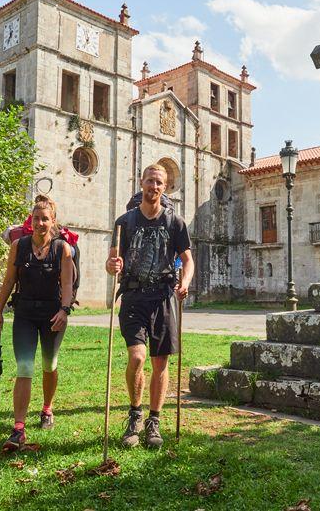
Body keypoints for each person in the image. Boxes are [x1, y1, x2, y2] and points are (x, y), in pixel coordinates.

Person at [105, 164, 194, 449]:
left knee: (160, 362)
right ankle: (135, 414)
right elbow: (112, 261)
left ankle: (154, 421)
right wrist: (112, 265)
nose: (153, 187)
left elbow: (188, 260)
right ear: (141, 183)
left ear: (164, 188)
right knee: (138, 358)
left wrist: (186, 281)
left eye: (159, 183)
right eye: (149, 181)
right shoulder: (124, 222)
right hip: (133, 296)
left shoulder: (175, 223)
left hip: (163, 298)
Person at [0, 195, 75, 451]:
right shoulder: (19, 246)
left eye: (45, 219)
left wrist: (64, 310)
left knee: (50, 364)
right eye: (36, 219)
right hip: (25, 314)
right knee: (25, 367)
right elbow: (8, 281)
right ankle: (18, 428)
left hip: (52, 315)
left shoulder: (62, 248)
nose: (40, 223)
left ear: (52, 222)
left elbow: (68, 284)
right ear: (31, 221)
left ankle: (47, 409)